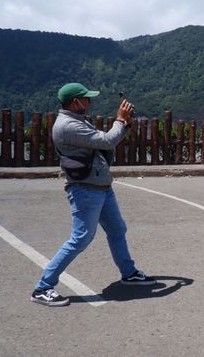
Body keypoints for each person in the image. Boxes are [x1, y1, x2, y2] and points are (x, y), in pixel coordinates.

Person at [31, 83, 156, 307]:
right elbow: (107, 140)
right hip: (85, 189)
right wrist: (119, 120)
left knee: (117, 229)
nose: (90, 102)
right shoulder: (68, 125)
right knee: (81, 238)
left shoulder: (78, 121)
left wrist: (125, 125)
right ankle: (43, 287)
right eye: (86, 98)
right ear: (74, 102)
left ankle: (129, 273)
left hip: (100, 186)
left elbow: (105, 141)